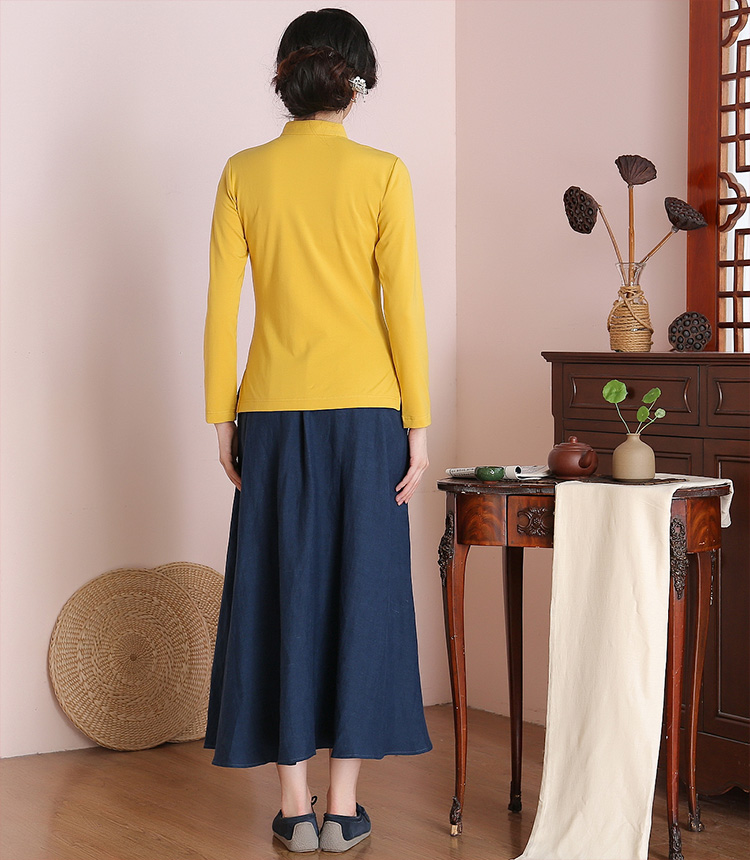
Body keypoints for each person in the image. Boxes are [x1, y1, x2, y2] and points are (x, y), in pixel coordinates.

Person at [202, 8, 431, 853]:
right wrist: (418, 426)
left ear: (287, 77)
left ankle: (292, 807)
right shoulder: (383, 173)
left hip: (269, 411)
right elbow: (404, 309)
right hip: (370, 415)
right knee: (364, 594)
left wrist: (221, 417)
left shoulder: (242, 172)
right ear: (356, 83)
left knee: (280, 592)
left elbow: (222, 308)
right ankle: (343, 809)